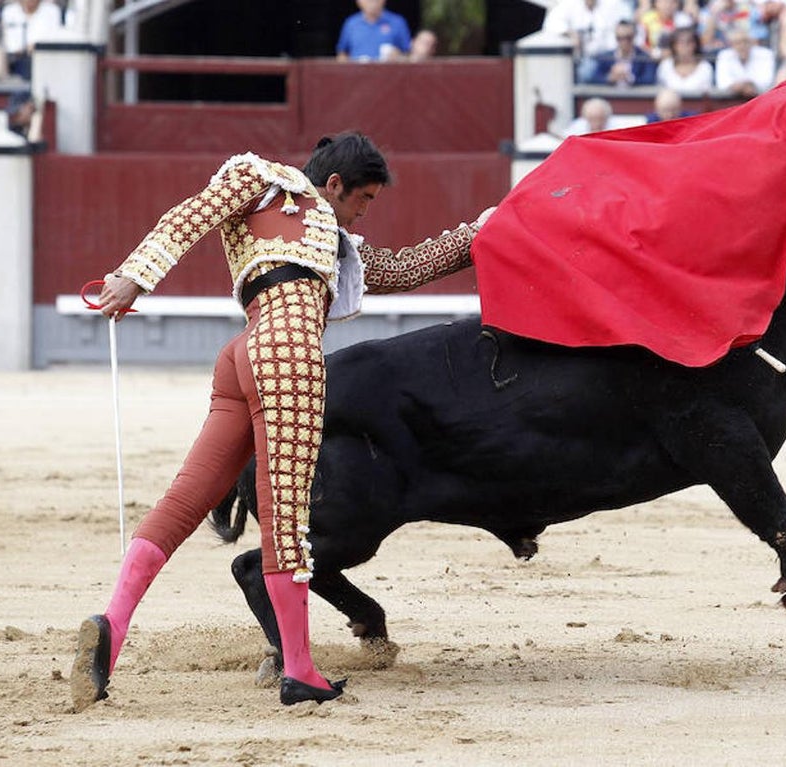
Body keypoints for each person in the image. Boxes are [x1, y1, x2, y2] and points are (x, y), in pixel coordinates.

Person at [69, 133, 496, 711]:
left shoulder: (316, 229)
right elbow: (192, 214)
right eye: (363, 200)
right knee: (286, 518)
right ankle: (300, 671)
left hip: (242, 352)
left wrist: (476, 235)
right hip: (289, 350)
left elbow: (400, 269)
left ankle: (112, 625)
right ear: (334, 184)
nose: (363, 213)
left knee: (187, 497)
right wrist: (134, 276)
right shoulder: (267, 179)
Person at [542, 0, 621, 83]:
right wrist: (570, 33)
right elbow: (550, 23)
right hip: (581, 59)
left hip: (606, 58)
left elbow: (619, 31)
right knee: (585, 72)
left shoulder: (610, 4)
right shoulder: (570, 4)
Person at [0, 0, 66, 80]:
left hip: (46, 62)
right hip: (16, 63)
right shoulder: (9, 11)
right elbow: (11, 45)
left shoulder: (52, 11)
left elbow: (53, 40)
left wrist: (35, 47)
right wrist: (26, 49)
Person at [336, 0, 411, 62]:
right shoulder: (351, 23)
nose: (371, 1)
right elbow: (342, 53)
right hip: (357, 72)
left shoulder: (397, 22)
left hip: (388, 73)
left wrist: (398, 57)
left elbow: (409, 55)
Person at [589, 19, 658, 86]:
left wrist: (630, 78)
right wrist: (610, 78)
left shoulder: (644, 58)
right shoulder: (606, 57)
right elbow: (593, 78)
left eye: (628, 38)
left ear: (634, 36)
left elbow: (649, 79)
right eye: (619, 38)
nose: (624, 42)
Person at [713, 27, 775, 97]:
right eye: (738, 43)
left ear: (752, 42)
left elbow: (767, 81)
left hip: (759, 97)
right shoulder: (724, 55)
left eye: (745, 41)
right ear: (731, 44)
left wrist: (749, 85)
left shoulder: (765, 54)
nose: (742, 46)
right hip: (731, 98)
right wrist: (741, 87)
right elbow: (722, 83)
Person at [656, 27, 713, 93]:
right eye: (680, 42)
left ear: (696, 44)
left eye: (689, 42)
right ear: (674, 45)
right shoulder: (665, 66)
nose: (684, 46)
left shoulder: (705, 67)